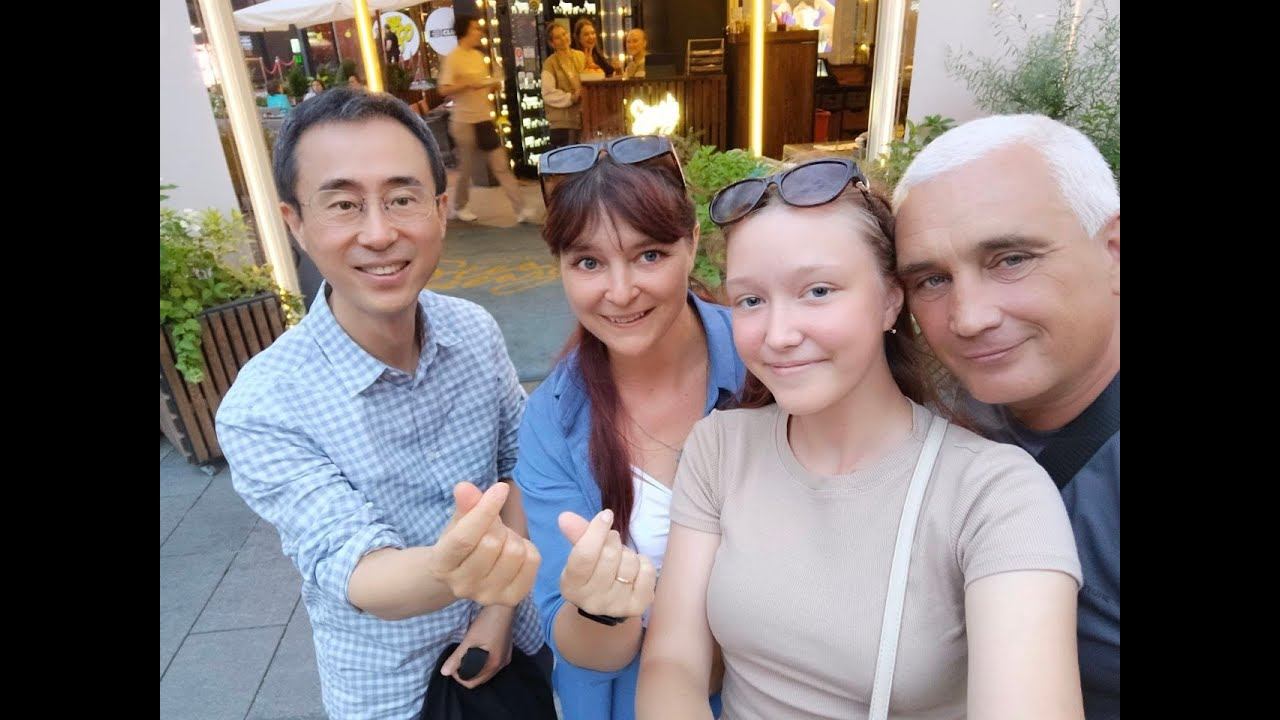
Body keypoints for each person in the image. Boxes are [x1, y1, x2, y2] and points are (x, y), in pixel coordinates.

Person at [638, 156, 1085, 719]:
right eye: (751, 300)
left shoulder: (995, 493)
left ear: (891, 299)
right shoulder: (720, 448)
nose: (778, 334)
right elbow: (674, 660)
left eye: (818, 291)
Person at [215, 87, 549, 720]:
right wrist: (453, 571)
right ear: (296, 223)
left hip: (515, 651)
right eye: (344, 204)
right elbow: (356, 569)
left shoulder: (473, 331)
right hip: (392, 693)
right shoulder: (263, 406)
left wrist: (499, 610)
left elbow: (520, 470)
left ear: (440, 209)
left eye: (401, 198)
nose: (379, 233)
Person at [892, 114, 1120, 719]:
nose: (969, 318)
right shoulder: (920, 410)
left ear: (1114, 251)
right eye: (932, 280)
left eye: (1011, 259)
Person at [515, 135, 744, 720]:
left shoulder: (764, 360)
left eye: (649, 255)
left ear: (692, 242)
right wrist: (600, 608)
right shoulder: (553, 417)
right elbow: (579, 647)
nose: (620, 293)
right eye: (588, 263)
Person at [438, 14, 537, 224]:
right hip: (463, 121)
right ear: (464, 31)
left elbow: (482, 84)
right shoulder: (453, 57)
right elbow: (443, 89)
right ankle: (459, 206)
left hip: (484, 118)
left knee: (501, 165)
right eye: (475, 28)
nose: (479, 33)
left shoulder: (478, 56)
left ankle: (520, 209)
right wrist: (467, 85)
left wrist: (492, 85)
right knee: (466, 168)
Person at [541, 23, 586, 150]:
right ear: (551, 43)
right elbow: (548, 93)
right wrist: (571, 98)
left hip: (583, 119)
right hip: (562, 123)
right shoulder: (550, 63)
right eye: (557, 37)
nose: (563, 39)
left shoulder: (580, 56)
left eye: (564, 34)